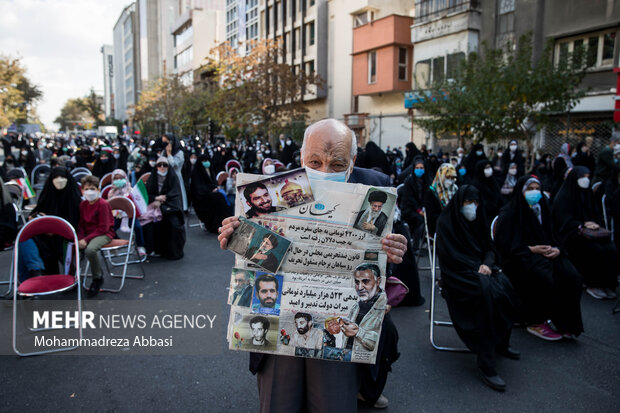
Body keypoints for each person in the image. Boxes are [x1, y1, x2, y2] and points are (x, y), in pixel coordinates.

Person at [217, 118, 406, 412]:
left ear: (353, 162)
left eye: (337, 164)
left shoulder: (375, 189)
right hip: (280, 314)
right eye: (315, 161)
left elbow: (382, 260)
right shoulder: (277, 190)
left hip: (340, 319)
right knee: (279, 403)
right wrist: (236, 234)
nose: (324, 172)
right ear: (302, 157)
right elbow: (255, 250)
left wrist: (395, 249)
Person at [436, 185, 518, 392]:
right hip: (457, 276)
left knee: (506, 286)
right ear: (459, 203)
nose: (472, 207)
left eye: (475, 203)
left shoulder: (479, 219)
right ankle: (486, 362)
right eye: (467, 203)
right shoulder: (446, 223)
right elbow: (450, 257)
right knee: (487, 295)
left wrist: (487, 264)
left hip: (481, 270)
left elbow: (489, 248)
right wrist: (477, 268)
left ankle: (501, 342)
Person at [495, 176, 584, 340]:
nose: (534, 192)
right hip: (521, 256)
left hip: (547, 254)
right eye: (530, 189)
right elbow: (505, 244)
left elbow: (555, 234)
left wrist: (557, 249)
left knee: (572, 276)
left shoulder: (543, 207)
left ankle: (566, 324)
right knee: (545, 278)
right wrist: (531, 249)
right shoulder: (511, 212)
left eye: (537, 188)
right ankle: (536, 321)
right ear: (521, 191)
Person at [551, 166, 618, 299]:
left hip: (590, 231)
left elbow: (595, 212)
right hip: (570, 233)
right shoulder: (563, 196)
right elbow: (563, 221)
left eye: (588, 177)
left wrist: (594, 223)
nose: (586, 180)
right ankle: (593, 284)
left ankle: (607, 284)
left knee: (610, 248)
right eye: (583, 177)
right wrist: (581, 224)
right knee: (595, 250)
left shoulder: (586, 194)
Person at [28, 167, 82, 274]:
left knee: (57, 244)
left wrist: (56, 228)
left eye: (62, 177)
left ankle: (70, 274)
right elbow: (38, 210)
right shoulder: (48, 194)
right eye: (56, 177)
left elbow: (76, 217)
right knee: (33, 238)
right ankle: (43, 273)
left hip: (68, 231)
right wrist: (36, 216)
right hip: (47, 232)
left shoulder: (73, 195)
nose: (59, 180)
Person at [78, 175, 115, 297]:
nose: (90, 192)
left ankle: (97, 277)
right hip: (89, 234)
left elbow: (103, 228)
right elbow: (81, 225)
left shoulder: (102, 204)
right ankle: (73, 277)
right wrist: (79, 238)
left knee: (90, 250)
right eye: (87, 189)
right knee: (71, 245)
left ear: (98, 190)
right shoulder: (83, 205)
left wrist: (86, 239)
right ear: (82, 190)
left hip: (104, 234)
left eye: (93, 189)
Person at [143, 156, 186, 260]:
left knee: (174, 224)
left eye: (165, 165)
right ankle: (155, 250)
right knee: (148, 224)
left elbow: (175, 193)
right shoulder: (152, 178)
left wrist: (165, 199)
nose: (162, 167)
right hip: (154, 208)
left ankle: (174, 252)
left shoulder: (173, 177)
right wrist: (156, 198)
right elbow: (147, 194)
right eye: (159, 165)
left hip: (171, 207)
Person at [343, 263, 387, 353]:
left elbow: (380, 341)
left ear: (378, 281)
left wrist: (358, 332)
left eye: (365, 281)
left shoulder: (383, 308)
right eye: (357, 282)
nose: (360, 287)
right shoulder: (357, 306)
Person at [106, 169, 147, 256]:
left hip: (130, 214)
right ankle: (116, 244)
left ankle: (140, 246)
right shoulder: (111, 192)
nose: (119, 180)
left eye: (121, 178)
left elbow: (135, 202)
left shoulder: (130, 190)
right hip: (117, 215)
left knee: (138, 227)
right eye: (116, 179)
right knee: (110, 229)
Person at [423, 163, 457, 236]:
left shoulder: (455, 190)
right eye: (447, 177)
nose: (450, 181)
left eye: (452, 178)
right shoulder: (431, 192)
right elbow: (431, 216)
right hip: (438, 226)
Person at [470, 160, 502, 226]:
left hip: (496, 215)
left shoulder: (493, 181)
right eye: (486, 168)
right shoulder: (475, 185)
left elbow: (499, 196)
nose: (489, 170)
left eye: (490, 167)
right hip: (483, 217)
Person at [160, 134, 187, 211]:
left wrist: (169, 154)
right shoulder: (163, 152)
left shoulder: (179, 153)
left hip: (175, 177)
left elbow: (173, 165)